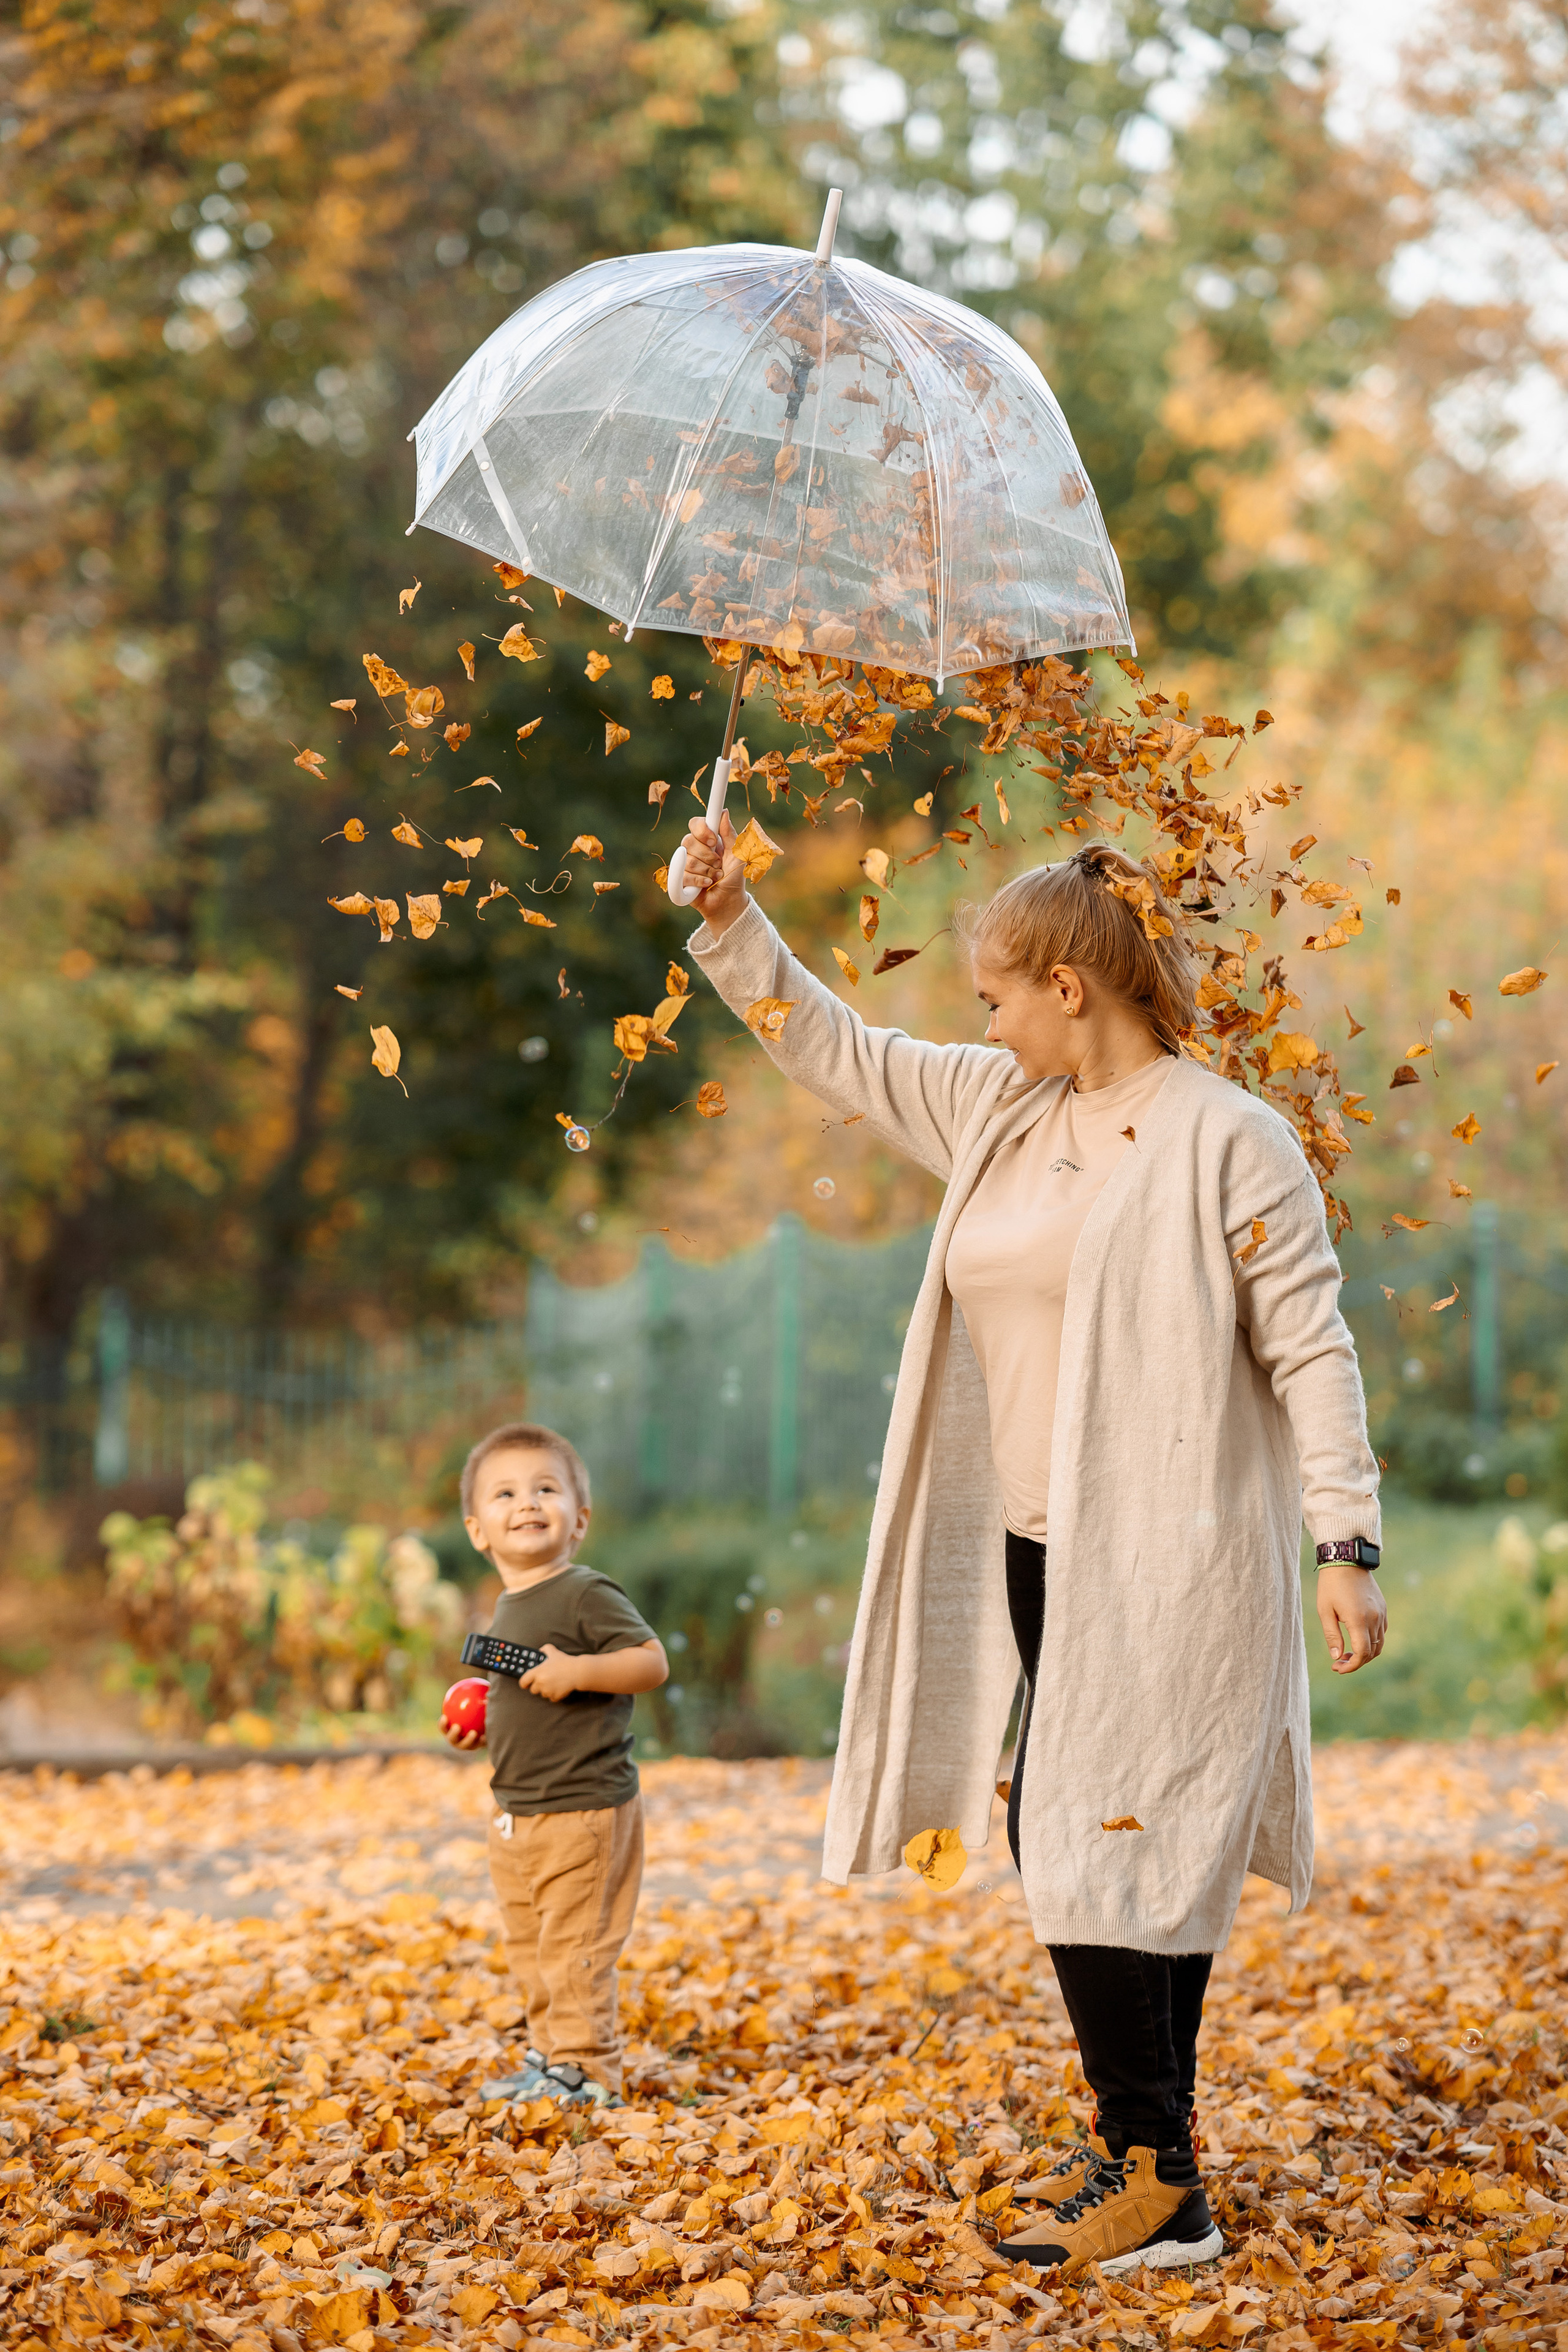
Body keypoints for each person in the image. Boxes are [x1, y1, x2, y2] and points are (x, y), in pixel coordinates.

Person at [678, 814, 1386, 2275]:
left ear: (1071, 984)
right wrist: (733, 914)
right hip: (1034, 1539)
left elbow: (1310, 1347)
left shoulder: (1227, 1138)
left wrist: (1344, 1538)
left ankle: (1147, 2169)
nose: (977, 1020)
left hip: (1177, 1550)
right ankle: (1152, 2161)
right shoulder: (997, 1108)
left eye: (995, 992)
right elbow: (832, 1045)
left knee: (1106, 1832)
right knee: (1096, 1832)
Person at [442, 1419, 668, 2108]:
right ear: (479, 1529)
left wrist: (581, 1672)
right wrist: (483, 1724)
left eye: (546, 1489)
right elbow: (525, 1698)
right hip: (518, 1815)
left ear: (579, 1519)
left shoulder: (583, 1592)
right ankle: (552, 2057)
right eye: (505, 1493)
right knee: (534, 1948)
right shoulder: (509, 1607)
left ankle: (588, 2071)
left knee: (576, 1948)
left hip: (584, 1809)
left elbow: (650, 1663)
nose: (528, 1503)